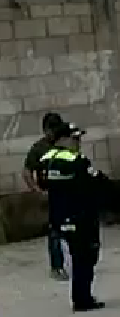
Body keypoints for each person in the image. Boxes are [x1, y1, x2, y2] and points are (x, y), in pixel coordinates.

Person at [39, 124, 109, 312]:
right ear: (62, 139)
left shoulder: (46, 159)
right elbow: (96, 184)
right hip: (81, 218)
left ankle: (80, 296)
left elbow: (44, 186)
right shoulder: (76, 160)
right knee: (85, 257)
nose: (78, 143)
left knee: (76, 257)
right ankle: (82, 299)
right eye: (74, 139)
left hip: (59, 217)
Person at [24, 112, 68, 281]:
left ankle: (79, 259)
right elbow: (27, 172)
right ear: (45, 130)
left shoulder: (64, 144)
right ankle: (57, 266)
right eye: (52, 130)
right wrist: (37, 190)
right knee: (55, 231)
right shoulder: (39, 149)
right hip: (52, 194)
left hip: (68, 193)